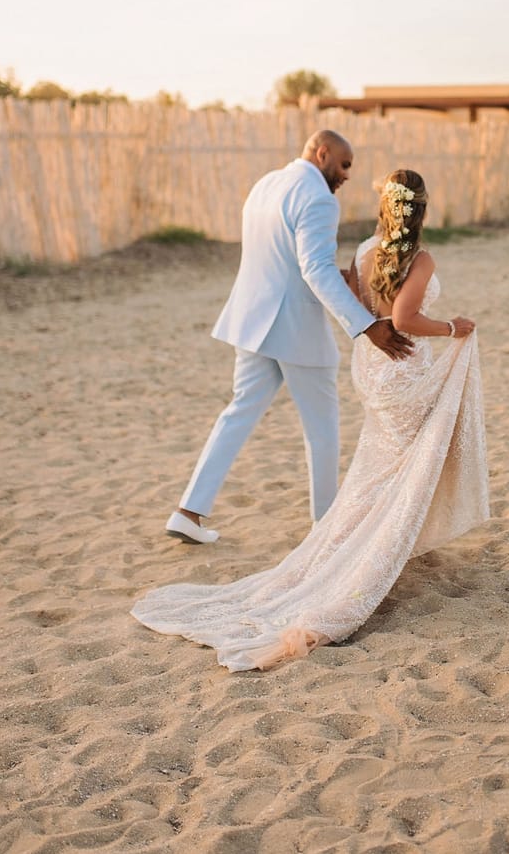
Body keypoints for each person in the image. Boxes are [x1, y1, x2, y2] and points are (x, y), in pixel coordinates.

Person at [134, 169, 489, 670]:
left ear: (385, 209)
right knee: (410, 459)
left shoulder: (365, 250)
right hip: (402, 369)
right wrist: (454, 326)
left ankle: (381, 536)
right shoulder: (421, 259)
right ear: (422, 211)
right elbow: (406, 321)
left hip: (370, 368)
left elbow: (348, 290)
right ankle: (375, 547)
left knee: (380, 465)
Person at [165, 130, 413, 545]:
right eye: (345, 164)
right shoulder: (318, 197)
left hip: (253, 318)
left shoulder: (267, 183)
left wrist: (337, 278)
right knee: (322, 426)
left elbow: (283, 259)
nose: (347, 175)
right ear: (322, 153)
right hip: (294, 326)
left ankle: (187, 511)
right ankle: (326, 526)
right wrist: (367, 325)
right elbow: (313, 269)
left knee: (239, 412)